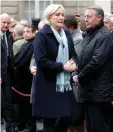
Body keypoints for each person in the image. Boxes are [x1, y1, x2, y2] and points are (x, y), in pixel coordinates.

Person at [32, 4, 78, 132]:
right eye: (57, 15)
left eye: (62, 15)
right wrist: (62, 66)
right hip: (48, 83)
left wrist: (74, 62)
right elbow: (41, 61)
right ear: (49, 17)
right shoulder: (42, 35)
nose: (61, 17)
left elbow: (73, 54)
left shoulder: (66, 34)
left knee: (70, 115)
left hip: (64, 84)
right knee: (50, 121)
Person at [72, 5, 113, 132]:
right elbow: (83, 58)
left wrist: (79, 77)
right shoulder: (89, 35)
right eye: (85, 17)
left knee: (98, 127)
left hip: (99, 93)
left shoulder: (104, 36)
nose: (86, 19)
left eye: (89, 17)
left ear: (99, 18)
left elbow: (96, 62)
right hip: (88, 91)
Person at [64, 14, 85, 132]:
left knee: (76, 119)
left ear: (70, 28)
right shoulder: (69, 38)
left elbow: (72, 62)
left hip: (75, 83)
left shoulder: (77, 40)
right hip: (70, 82)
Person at [13, 25, 37, 132]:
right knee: (22, 106)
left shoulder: (35, 44)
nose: (25, 34)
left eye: (28, 32)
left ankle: (30, 126)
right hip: (21, 82)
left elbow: (24, 62)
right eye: (24, 32)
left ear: (34, 32)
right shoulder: (24, 44)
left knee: (28, 106)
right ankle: (22, 125)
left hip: (28, 80)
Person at [1, 13, 17, 132]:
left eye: (8, 23)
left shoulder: (9, 36)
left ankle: (10, 128)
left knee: (8, 103)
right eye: (3, 22)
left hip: (8, 76)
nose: (6, 25)